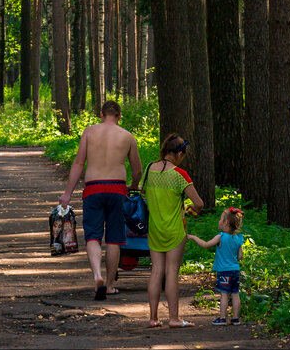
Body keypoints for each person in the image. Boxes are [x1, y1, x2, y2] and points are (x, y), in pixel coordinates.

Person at [57, 100, 142, 300]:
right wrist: (134, 184)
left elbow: (78, 163)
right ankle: (110, 285)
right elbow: (137, 170)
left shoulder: (89, 132)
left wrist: (67, 194)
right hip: (117, 188)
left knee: (93, 236)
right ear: (119, 116)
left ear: (101, 115)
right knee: (114, 238)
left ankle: (97, 276)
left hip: (93, 188)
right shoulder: (127, 136)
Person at [145, 134, 204, 328]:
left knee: (156, 271)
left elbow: (145, 193)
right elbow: (199, 204)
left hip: (154, 229)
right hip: (175, 230)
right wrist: (191, 209)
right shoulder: (180, 174)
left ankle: (153, 318)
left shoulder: (149, 170)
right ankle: (174, 318)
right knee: (171, 272)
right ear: (179, 153)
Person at [188, 207, 245, 326]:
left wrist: (193, 237)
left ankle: (222, 318)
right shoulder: (238, 239)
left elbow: (205, 245)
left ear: (225, 222)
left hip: (224, 271)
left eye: (220, 219)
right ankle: (235, 318)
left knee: (224, 294)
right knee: (235, 294)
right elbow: (240, 256)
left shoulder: (221, 237)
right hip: (235, 270)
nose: (219, 221)